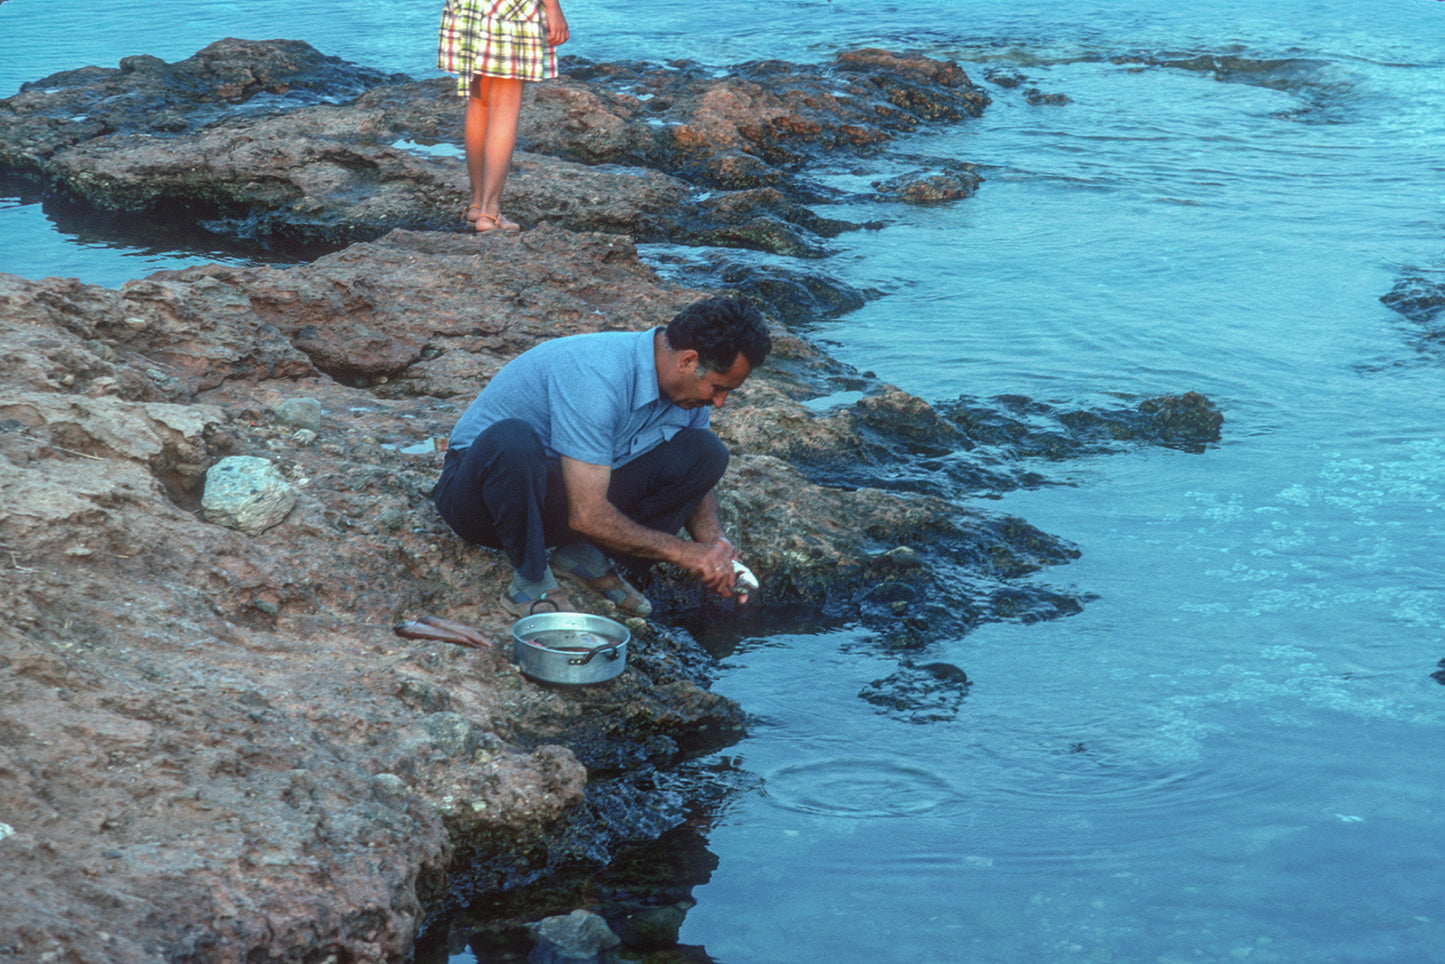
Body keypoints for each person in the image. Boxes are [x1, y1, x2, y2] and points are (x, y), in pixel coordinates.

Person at [433, 297, 772, 619]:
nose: (721, 402)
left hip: (557, 492)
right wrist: (684, 553)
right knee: (513, 440)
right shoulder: (597, 376)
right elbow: (587, 515)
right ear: (687, 361)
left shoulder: (686, 396)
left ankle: (585, 558)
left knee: (705, 452)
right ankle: (531, 582)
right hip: (484, 500)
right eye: (717, 388)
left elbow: (696, 485)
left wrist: (716, 547)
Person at [436, 0, 568, 233]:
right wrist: (553, 6)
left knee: (479, 102)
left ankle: (477, 204)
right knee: (505, 106)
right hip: (511, 9)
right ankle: (490, 212)